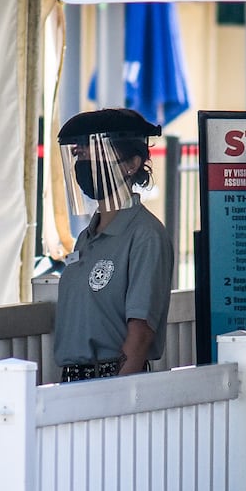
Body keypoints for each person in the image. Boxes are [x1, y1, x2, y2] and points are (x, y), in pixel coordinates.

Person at [52, 108, 174, 381]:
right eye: (80, 152)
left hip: (110, 380)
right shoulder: (87, 236)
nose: (82, 159)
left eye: (94, 150)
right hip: (74, 380)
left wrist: (115, 397)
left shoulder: (145, 235)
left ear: (131, 163)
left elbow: (141, 332)